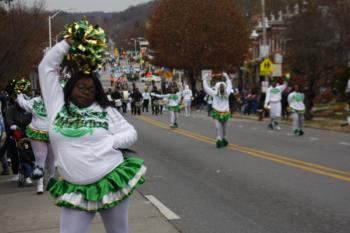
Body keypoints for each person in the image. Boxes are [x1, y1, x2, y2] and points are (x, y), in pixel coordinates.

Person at [39, 38, 146, 233]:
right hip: (75, 189)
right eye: (81, 87)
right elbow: (46, 67)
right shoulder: (57, 105)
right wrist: (67, 43)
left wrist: (111, 142)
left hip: (110, 180)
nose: (86, 93)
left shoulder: (106, 110)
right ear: (70, 87)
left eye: (91, 89)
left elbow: (131, 133)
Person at [16, 91, 55, 194]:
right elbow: (23, 103)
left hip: (52, 132)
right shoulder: (35, 101)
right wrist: (20, 94)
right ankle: (40, 184)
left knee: (51, 159)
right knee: (40, 157)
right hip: (37, 131)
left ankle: (52, 181)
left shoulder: (56, 101)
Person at [202, 72, 232, 148]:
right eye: (220, 87)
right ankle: (218, 139)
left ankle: (223, 138)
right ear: (217, 88)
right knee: (218, 127)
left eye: (223, 87)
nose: (222, 88)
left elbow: (230, 86)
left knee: (224, 129)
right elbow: (206, 88)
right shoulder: (214, 93)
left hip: (225, 112)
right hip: (217, 112)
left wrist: (227, 77)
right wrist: (204, 79)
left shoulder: (227, 93)